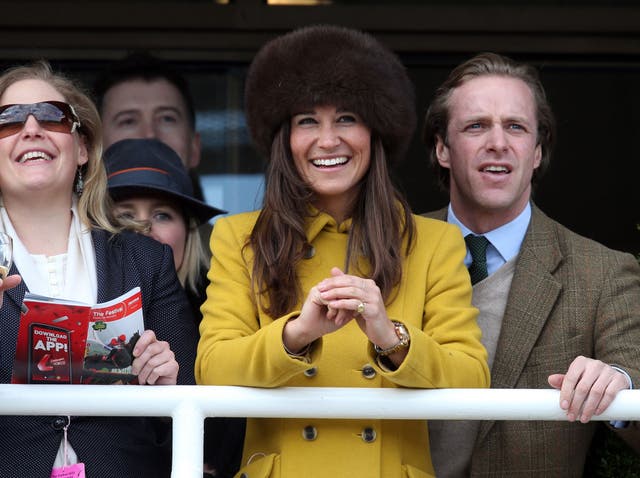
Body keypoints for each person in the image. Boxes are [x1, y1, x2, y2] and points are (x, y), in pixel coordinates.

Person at [195, 25, 490, 478]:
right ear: (284, 139)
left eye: (347, 118)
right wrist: (296, 334)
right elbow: (212, 369)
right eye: (307, 121)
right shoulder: (238, 237)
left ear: (376, 133)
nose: (328, 140)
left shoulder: (434, 241)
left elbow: (472, 379)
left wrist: (390, 336)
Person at [422, 52, 640, 477]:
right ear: (442, 149)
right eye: (476, 126)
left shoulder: (602, 272)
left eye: (516, 127)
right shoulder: (386, 249)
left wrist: (618, 388)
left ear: (537, 152)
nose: (498, 142)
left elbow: (636, 379)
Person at [0, 60, 198, 477]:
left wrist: (167, 381)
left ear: (84, 147)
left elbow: (194, 399)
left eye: (52, 116)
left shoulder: (146, 258)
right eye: (10, 120)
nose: (31, 128)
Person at [104, 137, 244, 478]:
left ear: (189, 232)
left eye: (162, 215)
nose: (143, 228)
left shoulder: (226, 315)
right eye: (124, 214)